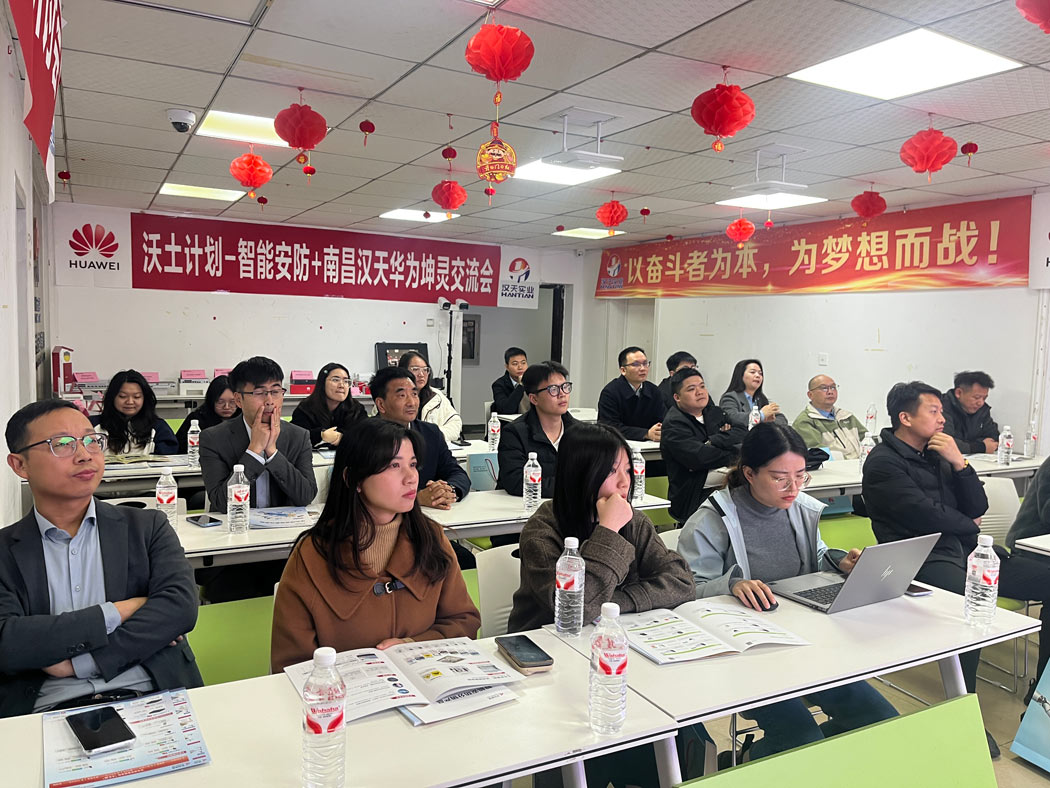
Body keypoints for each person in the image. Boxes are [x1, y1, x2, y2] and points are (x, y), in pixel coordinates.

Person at [678, 422, 897, 762]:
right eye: (780, 478)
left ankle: (811, 765)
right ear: (749, 473)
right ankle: (748, 764)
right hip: (749, 653)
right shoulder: (712, 520)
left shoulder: (800, 508)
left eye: (800, 476)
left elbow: (815, 555)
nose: (793, 488)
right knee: (801, 738)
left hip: (807, 641)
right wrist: (732, 585)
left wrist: (839, 561)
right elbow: (685, 590)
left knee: (881, 720)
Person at [509, 421, 709, 785]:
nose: (623, 483)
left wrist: (615, 606)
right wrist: (608, 532)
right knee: (584, 751)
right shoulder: (542, 530)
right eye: (611, 472)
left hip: (618, 659)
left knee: (676, 731)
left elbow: (682, 583)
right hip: (551, 667)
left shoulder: (636, 521)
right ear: (581, 474)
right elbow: (577, 610)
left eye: (628, 470)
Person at [1, 400, 201, 717]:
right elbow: (8, 642)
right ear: (20, 465)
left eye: (92, 440)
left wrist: (82, 662)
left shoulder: (147, 527)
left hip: (151, 694)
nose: (85, 454)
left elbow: (180, 608)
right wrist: (121, 610)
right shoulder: (4, 551)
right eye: (62, 444)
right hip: (46, 707)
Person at [862, 381, 1050, 714]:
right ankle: (964, 711)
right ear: (905, 417)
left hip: (968, 551)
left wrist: (960, 463)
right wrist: (969, 524)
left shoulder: (941, 453)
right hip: (921, 558)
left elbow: (978, 505)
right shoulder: (882, 463)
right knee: (970, 609)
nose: (942, 419)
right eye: (933, 411)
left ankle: (1042, 693)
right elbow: (925, 514)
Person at [270, 418, 480, 671]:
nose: (411, 478)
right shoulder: (313, 553)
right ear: (354, 478)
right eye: (394, 465)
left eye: (413, 464)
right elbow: (290, 663)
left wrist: (413, 645)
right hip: (344, 690)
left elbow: (463, 621)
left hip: (427, 681)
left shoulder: (431, 538)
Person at [199, 356, 317, 512]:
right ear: (238, 400)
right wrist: (254, 451)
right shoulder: (213, 439)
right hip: (236, 524)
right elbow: (221, 503)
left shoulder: (299, 436)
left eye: (275, 391)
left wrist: (272, 452)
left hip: (283, 523)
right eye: (259, 392)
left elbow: (306, 496)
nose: (269, 401)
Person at [371, 367, 470, 510]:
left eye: (414, 394)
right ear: (381, 404)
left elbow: (456, 472)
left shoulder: (431, 433)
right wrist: (417, 498)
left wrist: (448, 491)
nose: (412, 402)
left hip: (430, 514)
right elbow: (365, 489)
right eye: (402, 395)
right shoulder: (364, 437)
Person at [661, 368, 744, 524]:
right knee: (746, 474)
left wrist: (713, 441)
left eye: (702, 386)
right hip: (692, 490)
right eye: (691, 389)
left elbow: (741, 432)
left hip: (718, 478)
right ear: (677, 397)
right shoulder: (674, 423)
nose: (700, 392)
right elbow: (700, 458)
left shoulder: (714, 412)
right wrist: (735, 453)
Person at [496, 361, 577, 499]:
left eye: (565, 387)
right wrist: (572, 487)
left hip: (570, 505)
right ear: (534, 399)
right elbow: (515, 481)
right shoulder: (514, 433)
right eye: (553, 389)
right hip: (522, 506)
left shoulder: (580, 431)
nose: (562, 394)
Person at [90, 369, 178, 456]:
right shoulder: (92, 425)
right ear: (112, 397)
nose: (130, 402)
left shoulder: (159, 427)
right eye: (123, 396)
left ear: (145, 399)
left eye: (137, 397)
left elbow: (169, 457)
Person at [290, 362, 367, 448]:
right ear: (322, 383)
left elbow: (366, 437)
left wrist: (344, 438)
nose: (341, 385)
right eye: (335, 380)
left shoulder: (357, 409)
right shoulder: (305, 408)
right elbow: (295, 438)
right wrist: (321, 435)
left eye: (346, 381)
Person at [597, 346, 665, 442]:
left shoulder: (653, 390)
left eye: (645, 363)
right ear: (623, 370)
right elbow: (609, 427)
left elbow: (662, 419)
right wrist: (646, 433)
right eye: (636, 364)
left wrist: (659, 430)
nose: (643, 368)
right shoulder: (610, 392)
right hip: (619, 444)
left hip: (651, 444)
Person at [791, 374, 867, 459]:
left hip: (859, 464)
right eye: (824, 388)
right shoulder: (805, 422)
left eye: (833, 387)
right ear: (810, 395)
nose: (830, 392)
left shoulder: (846, 416)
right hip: (835, 466)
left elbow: (867, 439)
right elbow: (818, 455)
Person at [399, 352, 462, 443]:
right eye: (415, 369)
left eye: (425, 370)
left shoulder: (437, 396)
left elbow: (455, 423)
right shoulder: (393, 396)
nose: (421, 374)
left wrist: (433, 436)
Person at [174, 375, 239, 454]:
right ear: (211, 400)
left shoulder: (244, 418)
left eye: (232, 402)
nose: (227, 407)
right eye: (220, 402)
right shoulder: (197, 419)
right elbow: (180, 449)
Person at [941, 371, 999, 455]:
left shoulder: (982, 410)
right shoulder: (941, 408)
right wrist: (980, 447)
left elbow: (994, 437)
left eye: (984, 398)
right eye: (977, 397)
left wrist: (967, 446)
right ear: (958, 393)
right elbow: (944, 442)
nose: (981, 403)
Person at [491, 347, 530, 415]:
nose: (520, 367)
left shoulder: (534, 381)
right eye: (515, 364)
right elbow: (506, 409)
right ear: (507, 367)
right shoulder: (499, 385)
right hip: (511, 421)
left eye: (523, 363)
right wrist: (521, 385)